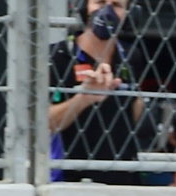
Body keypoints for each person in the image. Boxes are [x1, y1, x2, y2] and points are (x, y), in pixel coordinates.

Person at [48, 0, 145, 185]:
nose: (107, 10)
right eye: (100, 2)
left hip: (123, 173)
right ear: (84, 8)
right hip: (72, 177)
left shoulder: (131, 56)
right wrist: (84, 98)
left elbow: (134, 110)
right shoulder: (58, 55)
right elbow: (45, 121)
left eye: (116, 4)